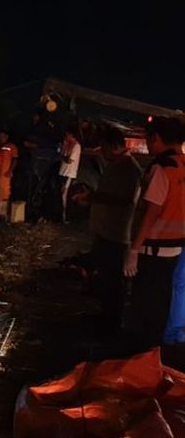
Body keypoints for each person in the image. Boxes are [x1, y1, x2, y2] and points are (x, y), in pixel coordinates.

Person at [124, 116, 185, 349]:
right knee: (162, 300)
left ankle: (140, 354)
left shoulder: (163, 168)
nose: (148, 146)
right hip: (176, 248)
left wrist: (134, 249)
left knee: (145, 303)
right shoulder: (182, 164)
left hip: (154, 247)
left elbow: (151, 213)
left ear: (157, 139)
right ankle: (154, 350)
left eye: (149, 140)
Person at [73, 127, 142, 334]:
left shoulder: (129, 168)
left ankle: (112, 323)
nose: (101, 151)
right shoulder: (117, 165)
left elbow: (125, 200)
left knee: (114, 280)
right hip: (106, 231)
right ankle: (105, 316)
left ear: (113, 146)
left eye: (103, 147)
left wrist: (94, 198)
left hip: (118, 234)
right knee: (105, 275)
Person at [58, 127, 82, 223]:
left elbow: (69, 160)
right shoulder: (67, 145)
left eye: (67, 134)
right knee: (61, 194)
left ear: (72, 135)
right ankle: (60, 215)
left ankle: (65, 217)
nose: (66, 136)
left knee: (64, 195)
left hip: (69, 173)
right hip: (62, 172)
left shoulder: (76, 146)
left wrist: (62, 157)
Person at [0, 129, 19, 220]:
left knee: (4, 194)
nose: (1, 138)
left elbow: (15, 159)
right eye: (0, 136)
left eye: (3, 136)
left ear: (6, 136)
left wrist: (10, 170)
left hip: (5, 174)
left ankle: (2, 214)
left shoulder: (11, 147)